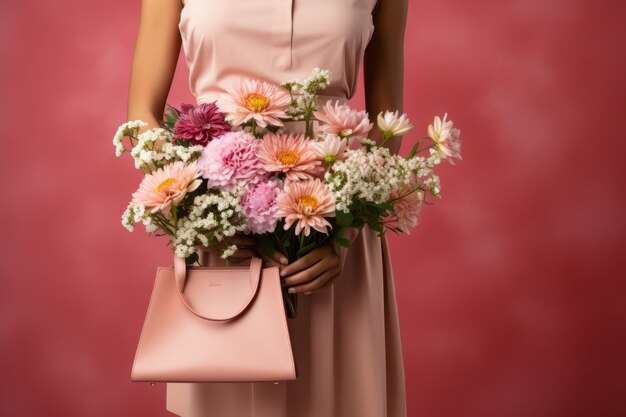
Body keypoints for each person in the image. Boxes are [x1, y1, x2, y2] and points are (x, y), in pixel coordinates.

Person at [126, 0, 408, 415]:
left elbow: (388, 121)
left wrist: (345, 232)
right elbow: (141, 114)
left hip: (332, 228)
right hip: (222, 224)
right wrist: (199, 215)